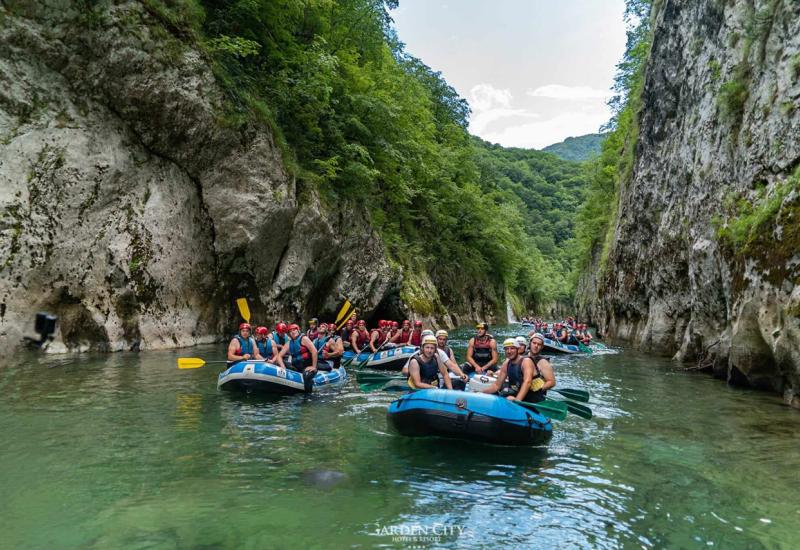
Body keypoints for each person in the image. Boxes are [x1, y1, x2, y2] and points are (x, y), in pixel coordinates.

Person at [482, 335, 555, 403]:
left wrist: (517, 400)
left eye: (512, 348)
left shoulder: (527, 361)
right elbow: (496, 385)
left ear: (517, 349)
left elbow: (527, 382)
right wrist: (480, 393)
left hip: (532, 398)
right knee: (503, 391)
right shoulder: (507, 363)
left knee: (507, 394)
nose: (509, 351)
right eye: (506, 349)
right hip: (519, 393)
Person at [279, 323, 318, 392]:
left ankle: (308, 395)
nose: (292, 332)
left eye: (294, 330)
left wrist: (313, 366)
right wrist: (282, 366)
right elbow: (279, 356)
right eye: (290, 331)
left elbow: (314, 351)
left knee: (307, 376)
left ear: (298, 330)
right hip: (296, 367)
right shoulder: (289, 343)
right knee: (279, 363)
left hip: (307, 366)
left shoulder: (304, 339)